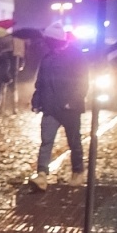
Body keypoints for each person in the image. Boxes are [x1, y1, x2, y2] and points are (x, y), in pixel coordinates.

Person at [30, 24, 87, 190]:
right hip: (50, 106)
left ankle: (78, 171)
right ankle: (42, 175)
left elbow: (83, 81)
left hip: (70, 108)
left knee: (74, 141)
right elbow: (41, 81)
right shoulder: (47, 58)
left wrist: (74, 101)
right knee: (46, 141)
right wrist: (37, 100)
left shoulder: (76, 56)